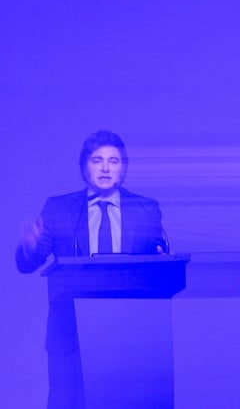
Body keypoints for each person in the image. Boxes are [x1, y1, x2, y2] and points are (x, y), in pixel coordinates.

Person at [15, 130, 167, 409]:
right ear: (84, 168)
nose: (105, 168)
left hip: (129, 332)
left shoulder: (145, 209)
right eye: (97, 160)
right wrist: (29, 247)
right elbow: (29, 263)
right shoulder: (59, 209)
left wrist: (161, 259)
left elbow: (159, 258)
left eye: (113, 161)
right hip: (70, 332)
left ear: (123, 170)